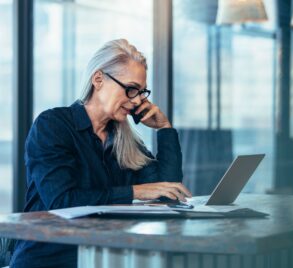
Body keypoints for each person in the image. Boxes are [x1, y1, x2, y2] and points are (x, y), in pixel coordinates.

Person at [10, 39, 191, 268]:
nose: (136, 100)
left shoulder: (125, 141)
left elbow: (167, 190)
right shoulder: (53, 125)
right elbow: (62, 201)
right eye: (131, 89)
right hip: (49, 258)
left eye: (141, 92)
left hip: (102, 259)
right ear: (98, 79)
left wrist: (165, 129)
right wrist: (137, 191)